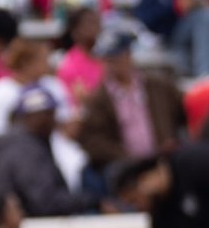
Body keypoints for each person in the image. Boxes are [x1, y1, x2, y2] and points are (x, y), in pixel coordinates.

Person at [0, 85, 101, 217]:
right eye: (48, 114)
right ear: (29, 117)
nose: (53, 119)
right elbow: (45, 203)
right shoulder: (24, 149)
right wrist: (94, 202)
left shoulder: (28, 143)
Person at [75, 33, 185, 173]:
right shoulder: (99, 98)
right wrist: (125, 157)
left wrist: (173, 141)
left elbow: (185, 108)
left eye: (116, 58)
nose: (112, 64)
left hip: (165, 160)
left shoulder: (157, 85)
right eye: (108, 59)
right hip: (127, 168)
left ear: (128, 55)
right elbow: (91, 140)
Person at [0, 39, 71, 139]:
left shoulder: (53, 84)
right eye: (44, 59)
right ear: (26, 63)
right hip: (14, 147)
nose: (48, 63)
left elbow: (66, 120)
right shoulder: (0, 91)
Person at [56, 8, 105, 105]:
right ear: (75, 31)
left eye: (97, 22)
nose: (96, 27)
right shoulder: (69, 65)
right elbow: (82, 101)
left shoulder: (105, 57)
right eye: (90, 23)